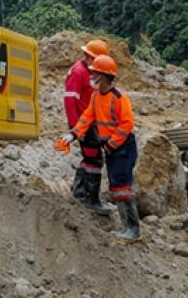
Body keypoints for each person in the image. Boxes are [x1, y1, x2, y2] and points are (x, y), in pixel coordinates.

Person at [55, 55, 141, 243]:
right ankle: (129, 228)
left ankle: (133, 230)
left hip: (122, 147)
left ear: (103, 76)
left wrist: (111, 144)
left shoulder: (119, 98)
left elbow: (127, 124)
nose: (91, 76)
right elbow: (86, 118)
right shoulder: (96, 97)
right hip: (112, 147)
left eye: (94, 73)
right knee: (115, 186)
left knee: (121, 187)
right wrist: (73, 134)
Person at [64, 38, 112, 213]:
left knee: (90, 157)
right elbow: (70, 100)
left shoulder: (88, 72)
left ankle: (79, 193)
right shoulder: (78, 72)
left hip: (91, 123)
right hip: (84, 124)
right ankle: (91, 200)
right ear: (91, 57)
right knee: (94, 158)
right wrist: (75, 127)